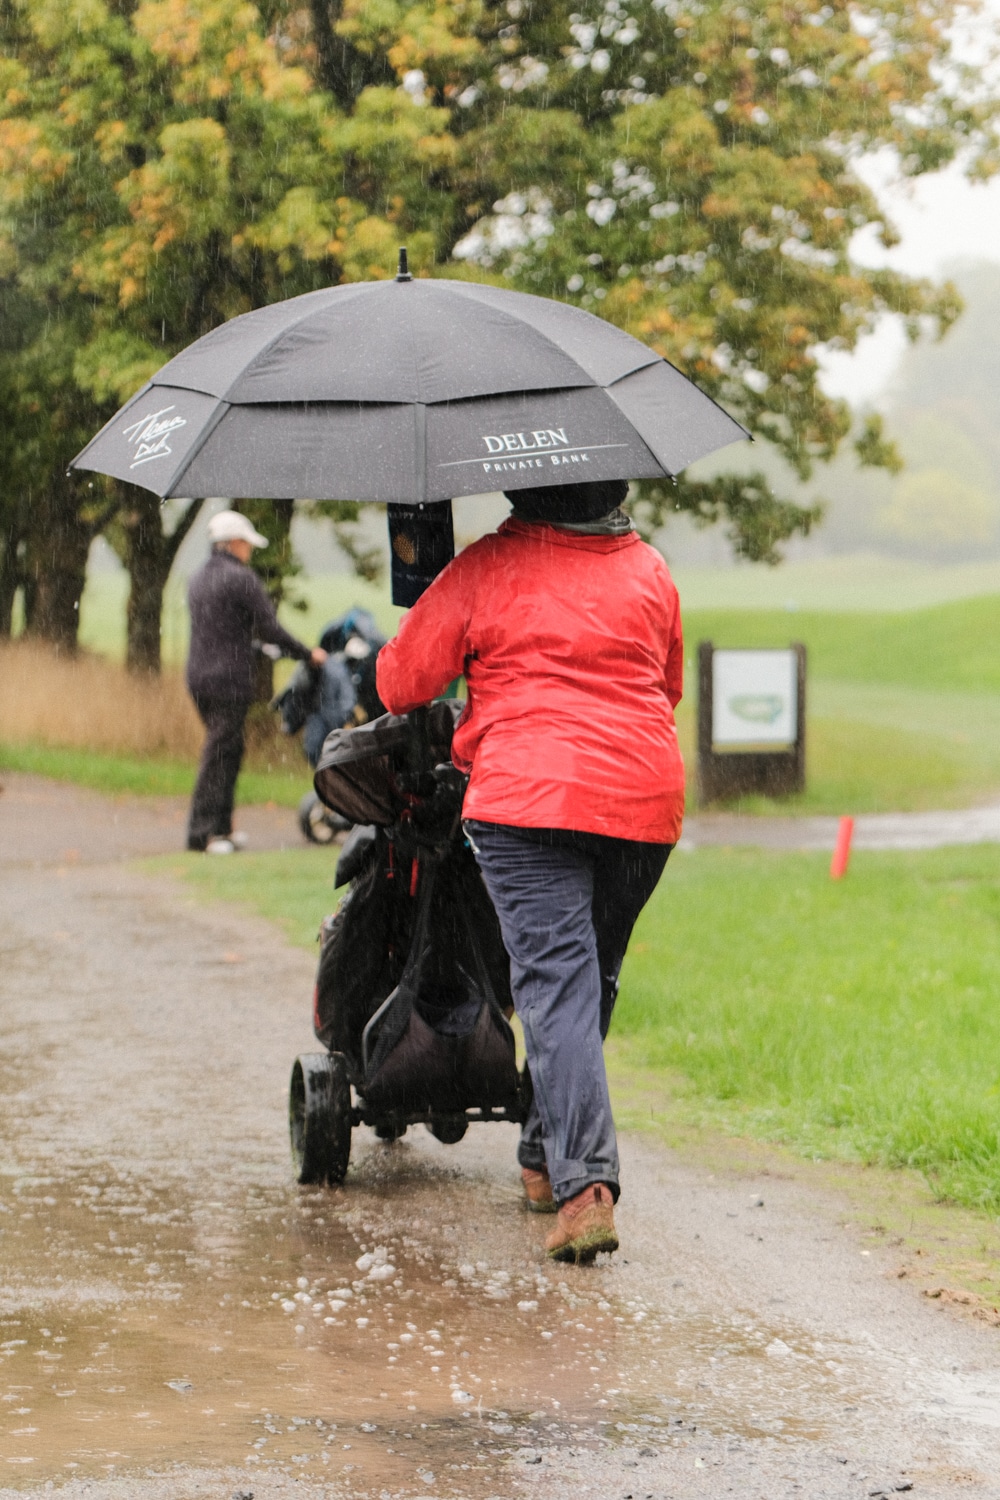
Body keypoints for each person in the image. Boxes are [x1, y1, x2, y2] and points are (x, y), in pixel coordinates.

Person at [375, 479, 684, 1263]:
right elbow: (668, 687)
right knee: (590, 980)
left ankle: (586, 1191)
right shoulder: (649, 569)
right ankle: (546, 1160)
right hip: (643, 801)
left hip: (527, 799)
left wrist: (426, 606)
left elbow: (401, 684)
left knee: (554, 984)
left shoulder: (486, 567)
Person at [185, 509, 327, 854]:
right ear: (234, 543)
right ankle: (202, 834)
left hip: (198, 676)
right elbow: (271, 627)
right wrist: (308, 654)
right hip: (228, 680)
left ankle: (222, 828)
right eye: (247, 544)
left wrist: (253, 647)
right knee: (220, 753)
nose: (249, 550)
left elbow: (220, 630)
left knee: (229, 750)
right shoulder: (241, 578)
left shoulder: (199, 577)